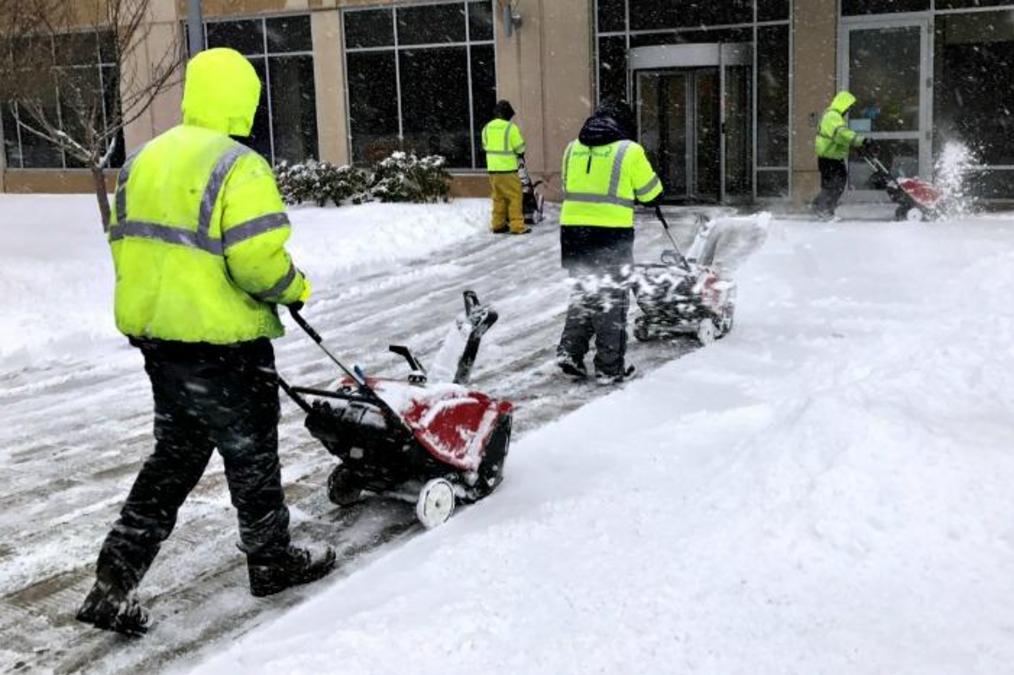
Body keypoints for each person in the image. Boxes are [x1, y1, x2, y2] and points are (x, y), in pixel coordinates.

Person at [76, 47, 336, 637]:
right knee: (251, 458)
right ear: (243, 100)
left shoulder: (141, 161)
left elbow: (127, 245)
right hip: (226, 345)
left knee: (171, 461)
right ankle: (270, 561)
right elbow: (256, 261)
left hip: (162, 345)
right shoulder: (237, 165)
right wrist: (293, 287)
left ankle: (112, 583)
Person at [556, 100, 663, 385]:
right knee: (611, 300)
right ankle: (609, 367)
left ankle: (570, 352)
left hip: (574, 233)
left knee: (584, 291)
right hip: (610, 235)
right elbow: (650, 192)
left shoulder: (571, 148)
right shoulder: (630, 150)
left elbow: (568, 187)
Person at [812, 90, 869, 220]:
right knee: (834, 184)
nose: (848, 110)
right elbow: (841, 133)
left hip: (831, 157)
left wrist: (854, 144)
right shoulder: (833, 116)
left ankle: (821, 206)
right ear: (843, 105)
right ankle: (823, 210)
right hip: (830, 158)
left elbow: (839, 137)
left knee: (834, 184)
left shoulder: (832, 115)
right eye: (848, 107)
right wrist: (860, 140)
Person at [481, 100, 530, 235]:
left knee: (498, 197)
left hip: (493, 171)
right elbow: (520, 148)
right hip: (508, 169)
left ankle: (498, 224)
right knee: (515, 197)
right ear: (507, 114)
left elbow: (485, 146)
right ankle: (517, 226)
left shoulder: (487, 128)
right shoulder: (510, 128)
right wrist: (519, 152)